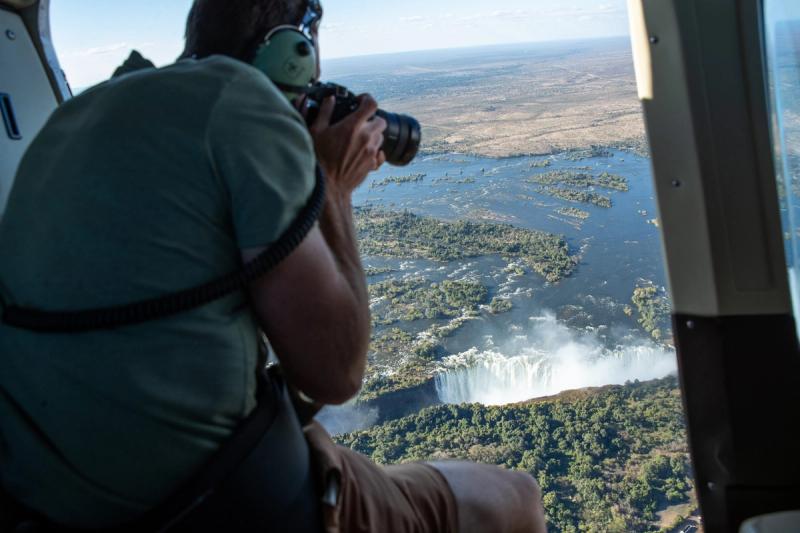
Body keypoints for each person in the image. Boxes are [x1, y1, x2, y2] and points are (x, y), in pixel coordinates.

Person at [0, 0, 546, 531]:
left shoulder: (76, 115)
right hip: (210, 497)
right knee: (514, 497)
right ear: (292, 49)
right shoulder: (240, 99)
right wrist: (333, 184)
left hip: (50, 494)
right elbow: (335, 372)